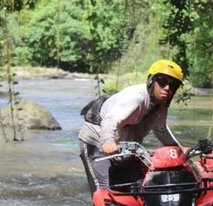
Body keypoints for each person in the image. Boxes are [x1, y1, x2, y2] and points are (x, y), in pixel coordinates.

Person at [79, 59, 184, 193]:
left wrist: (179, 149)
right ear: (151, 81)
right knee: (105, 191)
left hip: (125, 146)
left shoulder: (161, 105)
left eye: (173, 85)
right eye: (162, 82)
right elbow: (110, 120)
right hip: (96, 139)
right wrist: (107, 141)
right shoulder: (137, 97)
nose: (167, 88)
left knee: (137, 189)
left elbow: (160, 130)